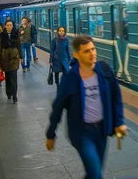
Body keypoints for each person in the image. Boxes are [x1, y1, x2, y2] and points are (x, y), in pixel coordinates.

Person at [45, 35, 127, 179]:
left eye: (93, 49)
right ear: (77, 54)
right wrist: (51, 134)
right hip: (82, 133)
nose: (92, 54)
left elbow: (116, 96)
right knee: (96, 175)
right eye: (87, 51)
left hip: (102, 130)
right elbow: (58, 107)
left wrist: (119, 122)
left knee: (93, 173)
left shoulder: (104, 70)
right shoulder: (70, 78)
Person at [0, 21, 22, 103]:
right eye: (7, 25)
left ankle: (15, 95)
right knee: (7, 77)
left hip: (14, 57)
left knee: (14, 77)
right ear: (5, 26)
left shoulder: (16, 34)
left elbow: (19, 45)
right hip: (5, 58)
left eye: (11, 25)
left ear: (12, 26)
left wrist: (21, 57)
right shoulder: (1, 35)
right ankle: (8, 93)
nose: (9, 27)